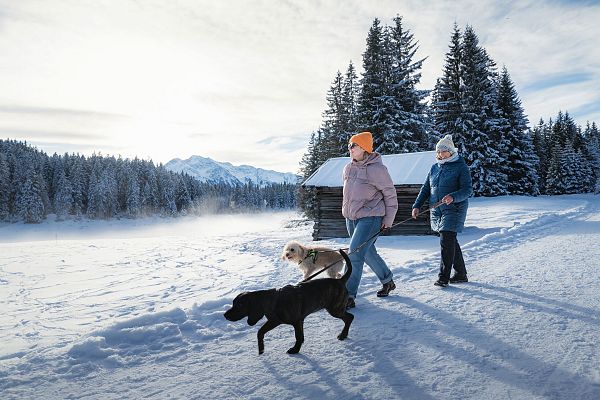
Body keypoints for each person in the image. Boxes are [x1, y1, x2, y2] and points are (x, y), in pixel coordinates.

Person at [342, 131, 398, 308]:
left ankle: (346, 296)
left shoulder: (377, 169)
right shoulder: (348, 168)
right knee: (367, 252)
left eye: (353, 145)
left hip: (371, 217)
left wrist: (388, 219)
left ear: (364, 148)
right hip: (352, 218)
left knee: (354, 255)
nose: (349, 149)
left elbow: (390, 195)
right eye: (349, 145)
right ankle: (387, 280)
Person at [412, 134, 473, 287]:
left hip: (454, 208)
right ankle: (460, 274)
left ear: (451, 152)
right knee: (450, 240)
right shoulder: (434, 167)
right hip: (437, 209)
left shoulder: (460, 166)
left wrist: (453, 196)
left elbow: (467, 190)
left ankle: (443, 277)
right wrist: (417, 205)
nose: (440, 154)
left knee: (446, 238)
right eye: (438, 151)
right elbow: (426, 188)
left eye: (443, 151)